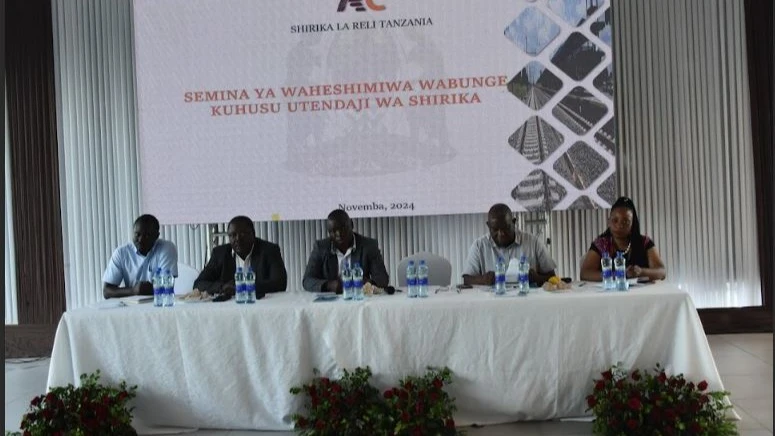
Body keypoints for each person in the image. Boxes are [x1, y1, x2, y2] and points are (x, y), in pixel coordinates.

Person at [194, 216, 287, 299]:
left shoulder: (269, 250)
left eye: (243, 234)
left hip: (261, 305)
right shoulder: (219, 253)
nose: (238, 239)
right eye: (233, 235)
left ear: (253, 234)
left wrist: (244, 287)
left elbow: (280, 283)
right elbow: (198, 284)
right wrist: (222, 287)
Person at [462, 203, 557, 286]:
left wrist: (536, 278)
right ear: (488, 226)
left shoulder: (533, 242)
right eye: (495, 229)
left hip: (527, 301)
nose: (501, 234)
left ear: (514, 222)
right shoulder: (479, 246)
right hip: (491, 303)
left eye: (505, 228)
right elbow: (467, 279)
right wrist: (484, 280)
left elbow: (552, 276)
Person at [580, 196, 666, 281]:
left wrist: (641, 272)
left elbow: (662, 272)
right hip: (609, 293)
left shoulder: (644, 242)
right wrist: (619, 274)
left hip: (640, 294)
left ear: (632, 224)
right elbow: (585, 273)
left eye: (626, 221)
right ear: (609, 222)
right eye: (615, 220)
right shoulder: (601, 244)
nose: (620, 225)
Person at [303, 209, 389, 293]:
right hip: (330, 303)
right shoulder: (321, 247)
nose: (338, 234)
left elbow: (383, 278)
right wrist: (329, 285)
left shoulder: (369, 246)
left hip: (359, 298)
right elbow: (307, 280)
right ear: (329, 232)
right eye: (333, 231)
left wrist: (368, 283)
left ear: (351, 224)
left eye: (343, 228)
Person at [103, 214, 178, 299]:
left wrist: (149, 289)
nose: (141, 240)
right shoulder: (121, 253)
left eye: (147, 235)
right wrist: (133, 291)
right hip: (130, 306)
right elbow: (106, 291)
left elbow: (166, 287)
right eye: (137, 234)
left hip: (159, 303)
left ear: (156, 236)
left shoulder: (166, 248)